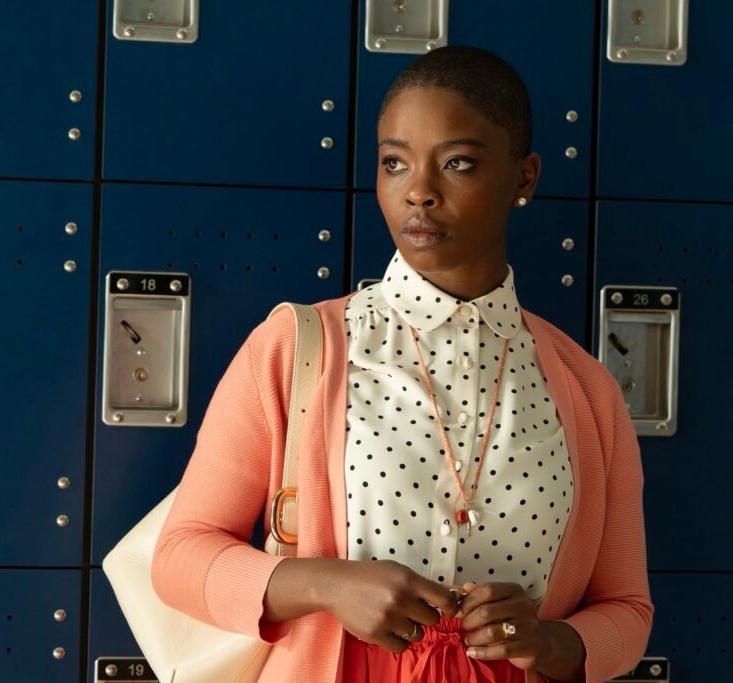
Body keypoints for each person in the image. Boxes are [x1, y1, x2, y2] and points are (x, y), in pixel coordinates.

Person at [153, 45, 652, 683]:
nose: (419, 191)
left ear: (524, 178)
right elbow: (179, 555)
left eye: (458, 163)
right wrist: (327, 585)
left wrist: (550, 641)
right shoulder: (297, 347)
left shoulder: (589, 392)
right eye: (395, 162)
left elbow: (628, 611)